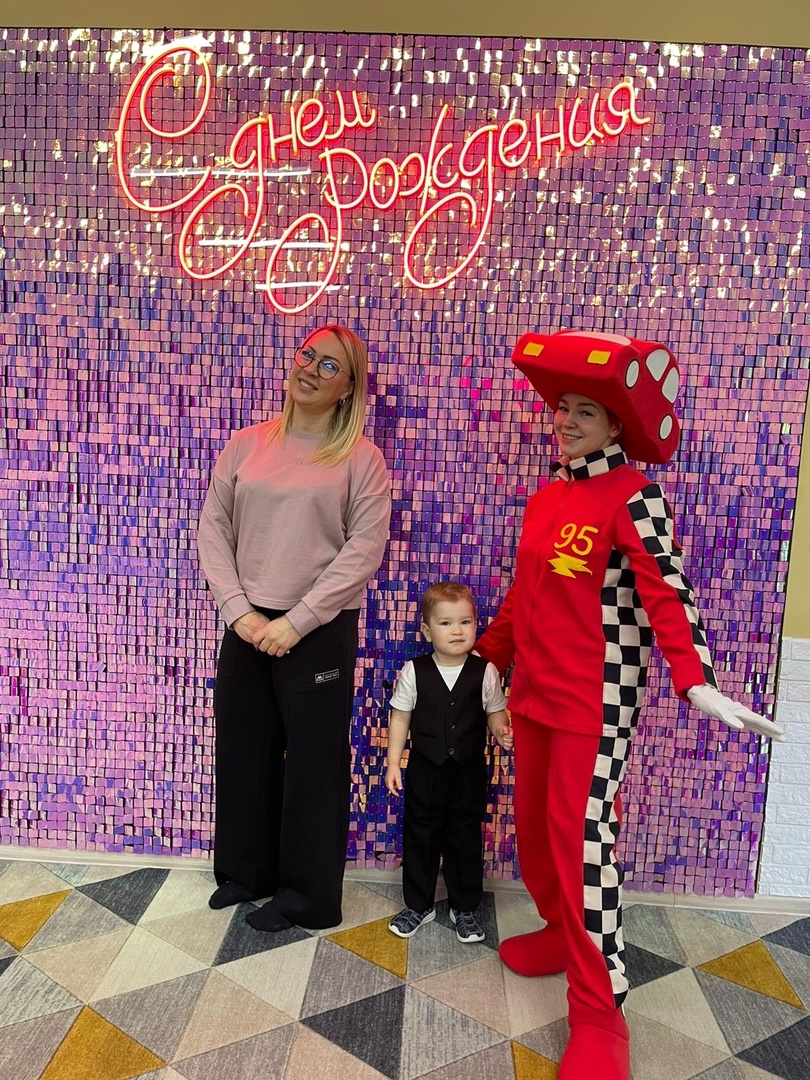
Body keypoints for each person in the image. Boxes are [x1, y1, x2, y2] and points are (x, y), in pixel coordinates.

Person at [475, 330, 784, 1080]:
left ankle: (600, 1016)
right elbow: (523, 596)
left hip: (596, 703)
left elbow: (666, 591)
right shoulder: (546, 497)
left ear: (616, 425)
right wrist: (485, 660)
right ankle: (560, 932)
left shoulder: (635, 496)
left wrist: (696, 678)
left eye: (584, 411)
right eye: (562, 408)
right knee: (537, 840)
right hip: (534, 697)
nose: (565, 421)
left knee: (583, 851)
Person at [198, 324, 391, 932]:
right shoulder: (246, 445)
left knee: (313, 764)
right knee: (243, 749)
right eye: (308, 354)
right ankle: (245, 873)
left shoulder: (361, 459)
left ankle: (306, 898)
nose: (310, 368)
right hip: (246, 622)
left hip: (319, 629)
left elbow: (363, 550)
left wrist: (298, 621)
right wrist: (239, 611)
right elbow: (213, 529)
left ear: (348, 388)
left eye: (329, 365)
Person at [385, 581, 514, 943]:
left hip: (468, 773)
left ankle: (465, 907)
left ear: (476, 625)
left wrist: (500, 729)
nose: (457, 630)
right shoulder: (414, 671)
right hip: (425, 770)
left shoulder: (486, 672)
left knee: (465, 838)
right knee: (420, 837)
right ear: (427, 631)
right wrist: (393, 763)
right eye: (446, 623)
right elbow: (400, 717)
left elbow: (494, 711)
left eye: (465, 622)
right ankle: (418, 905)